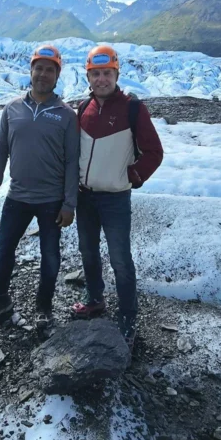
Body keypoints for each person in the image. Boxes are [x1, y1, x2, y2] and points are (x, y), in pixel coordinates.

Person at [0, 44, 79, 332]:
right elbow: (0, 152)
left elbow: (72, 161)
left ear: (57, 75)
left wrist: (69, 204)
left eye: (50, 70)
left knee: (50, 256)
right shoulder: (12, 109)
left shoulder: (66, 115)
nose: (43, 74)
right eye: (39, 68)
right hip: (17, 196)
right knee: (3, 251)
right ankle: (0, 303)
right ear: (31, 71)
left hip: (51, 200)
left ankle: (43, 308)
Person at [71, 44, 163, 350]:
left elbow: (154, 152)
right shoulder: (84, 109)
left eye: (107, 73)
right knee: (88, 252)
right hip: (85, 197)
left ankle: (128, 317)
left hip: (115, 199)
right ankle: (95, 298)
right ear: (88, 77)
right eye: (96, 74)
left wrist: (134, 176)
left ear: (116, 74)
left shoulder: (133, 108)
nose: (101, 79)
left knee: (120, 259)